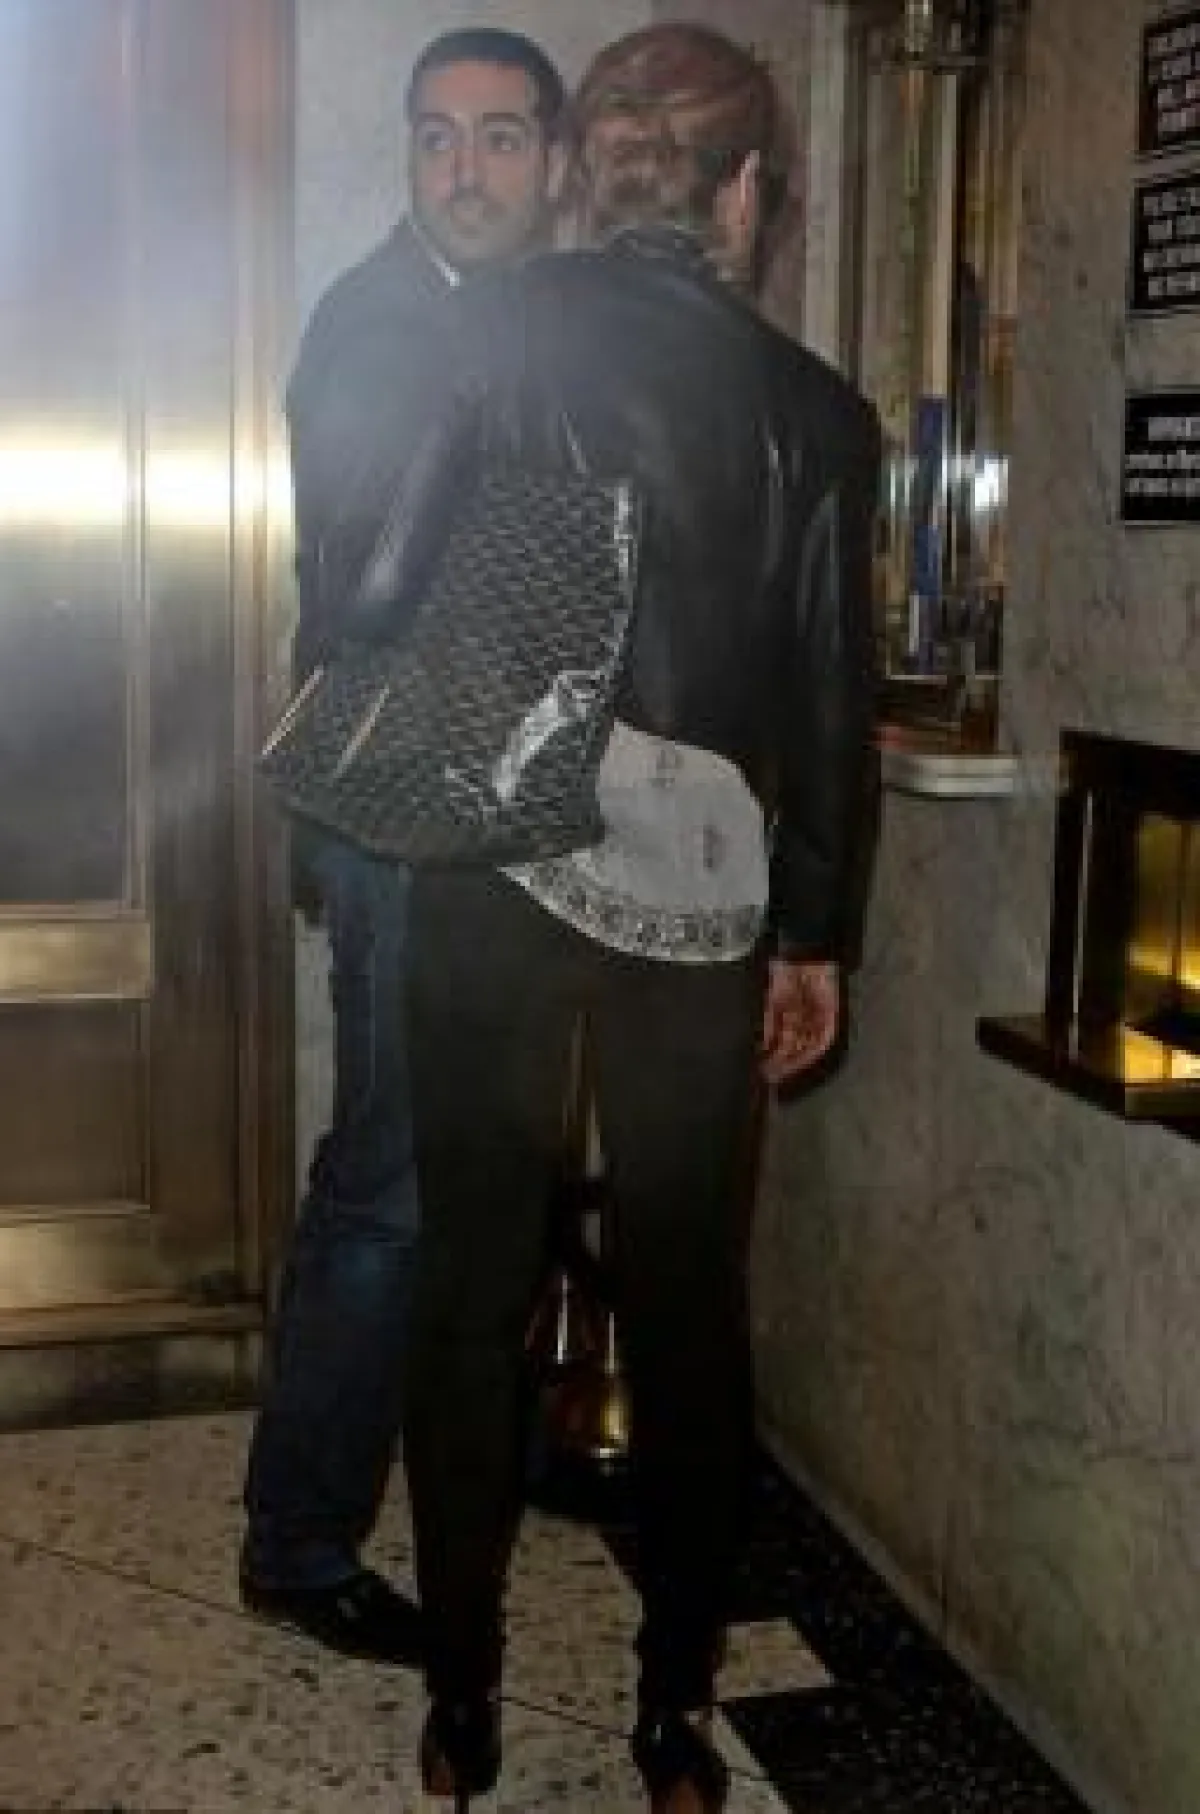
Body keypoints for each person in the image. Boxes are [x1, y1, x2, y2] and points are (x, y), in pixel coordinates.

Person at [358, 23, 883, 1810]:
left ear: (587, 175)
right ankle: (672, 1721)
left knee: (469, 1287)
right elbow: (831, 703)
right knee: (686, 1305)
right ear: (745, 193)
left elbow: (379, 586)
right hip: (700, 892)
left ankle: (460, 1704)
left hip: (497, 866)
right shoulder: (816, 414)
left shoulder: (487, 332)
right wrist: (814, 934)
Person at [239, 27, 567, 1668]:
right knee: (389, 1183)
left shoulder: (515, 321)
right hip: (402, 811)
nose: (465, 169)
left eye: (499, 138)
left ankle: (429, 1464)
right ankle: (300, 1541)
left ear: (553, 162)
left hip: (486, 805)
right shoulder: (381, 324)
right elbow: (372, 587)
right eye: (438, 137)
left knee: (441, 1172)